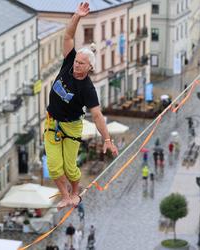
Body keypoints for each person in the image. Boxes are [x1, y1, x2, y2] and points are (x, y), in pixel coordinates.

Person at [44, 2, 118, 210]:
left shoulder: (87, 88)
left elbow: (96, 115)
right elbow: (67, 37)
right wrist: (76, 16)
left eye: (81, 63)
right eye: (76, 61)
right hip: (52, 122)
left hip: (72, 126)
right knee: (54, 167)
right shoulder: (68, 62)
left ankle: (75, 193)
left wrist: (107, 139)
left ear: (90, 67)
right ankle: (66, 196)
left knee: (70, 167)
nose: (76, 65)